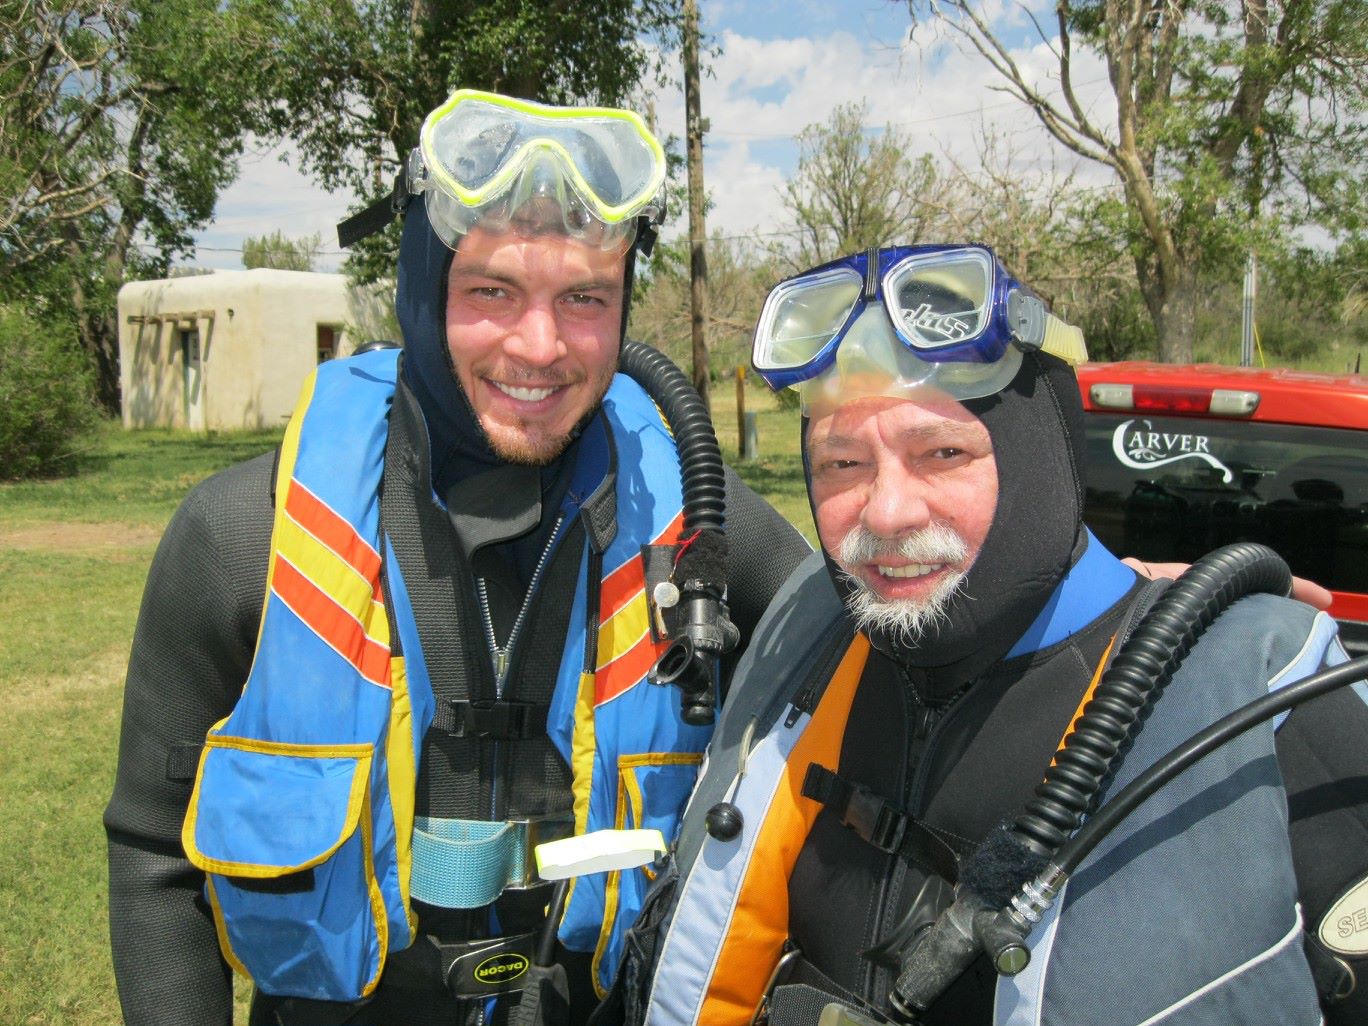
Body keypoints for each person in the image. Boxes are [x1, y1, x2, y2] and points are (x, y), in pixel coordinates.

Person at [103, 90, 811, 1026]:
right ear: (421, 285)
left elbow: (879, 698)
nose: (541, 345)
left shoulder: (707, 526)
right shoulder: (240, 536)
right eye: (492, 290)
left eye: (585, 299)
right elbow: (153, 855)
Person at [615, 244, 1368, 1026]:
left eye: (942, 453)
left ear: (1040, 458)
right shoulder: (812, 643)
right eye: (841, 463)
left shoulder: (1262, 708)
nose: (886, 513)